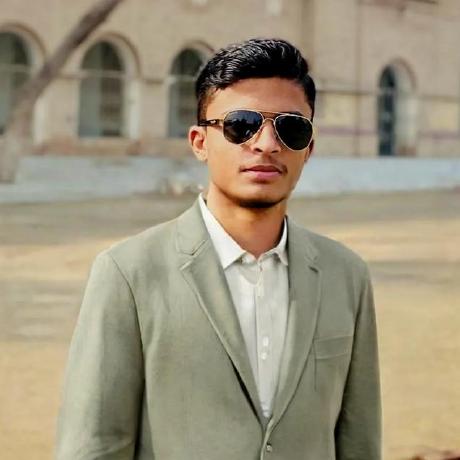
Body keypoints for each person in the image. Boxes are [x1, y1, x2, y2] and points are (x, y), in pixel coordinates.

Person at [55, 38, 381, 460]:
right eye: (241, 124)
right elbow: (93, 446)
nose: (266, 144)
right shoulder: (128, 273)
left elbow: (360, 441)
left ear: (309, 149)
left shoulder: (346, 275)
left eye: (291, 127)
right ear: (199, 142)